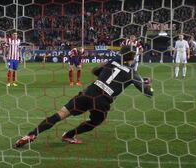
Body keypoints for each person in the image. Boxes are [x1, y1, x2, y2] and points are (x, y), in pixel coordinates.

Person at [15, 46, 154, 147]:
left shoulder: (112, 62)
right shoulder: (132, 73)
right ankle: (69, 135)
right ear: (133, 57)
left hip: (89, 92)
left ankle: (31, 134)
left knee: (60, 114)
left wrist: (105, 70)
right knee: (95, 121)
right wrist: (148, 85)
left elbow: (95, 71)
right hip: (102, 101)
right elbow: (148, 93)